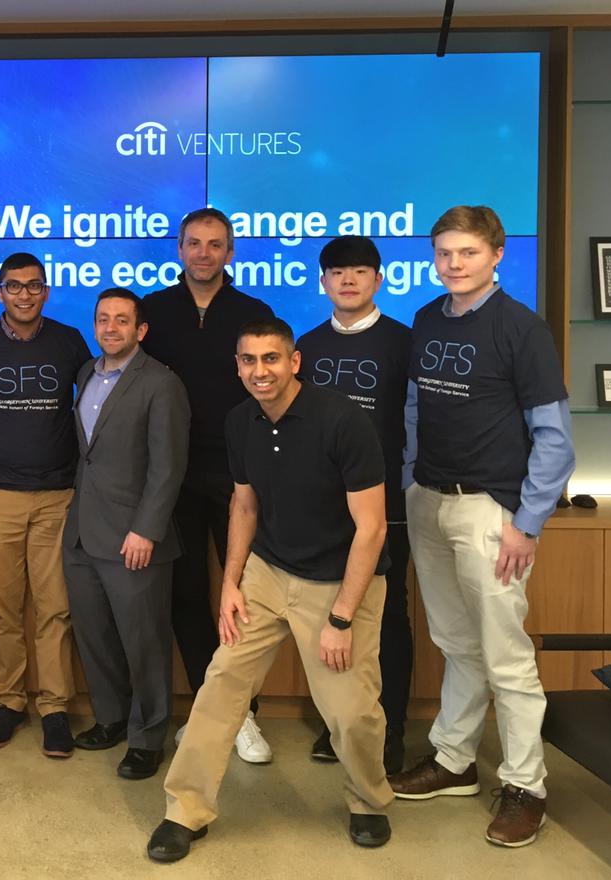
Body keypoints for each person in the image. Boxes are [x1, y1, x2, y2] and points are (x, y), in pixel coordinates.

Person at [148, 318, 393, 864]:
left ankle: (368, 800)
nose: (261, 371)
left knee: (351, 713)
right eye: (249, 361)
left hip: (338, 585)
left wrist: (341, 619)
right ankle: (184, 810)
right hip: (267, 573)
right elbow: (244, 504)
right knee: (220, 688)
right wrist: (232, 583)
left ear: (294, 361)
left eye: (272, 359)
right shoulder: (241, 422)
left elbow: (372, 528)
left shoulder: (343, 421)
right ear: (237, 366)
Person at [388, 205, 574, 848]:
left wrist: (528, 523)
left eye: (466, 253)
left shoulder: (521, 329)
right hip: (429, 501)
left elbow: (554, 437)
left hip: (491, 511)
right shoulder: (425, 319)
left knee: (505, 654)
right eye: (443, 254)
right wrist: (412, 477)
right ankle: (454, 760)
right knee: (456, 641)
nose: (453, 265)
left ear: (496, 255)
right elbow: (415, 407)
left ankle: (526, 785)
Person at [141, 207, 275, 764]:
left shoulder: (252, 312)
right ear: (179, 248)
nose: (203, 253)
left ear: (230, 251)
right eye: (194, 243)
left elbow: (273, 392)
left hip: (239, 475)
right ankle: (207, 702)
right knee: (187, 593)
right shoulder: (153, 311)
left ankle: (243, 712)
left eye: (215, 244)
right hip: (171, 475)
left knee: (245, 598)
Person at [0, 252, 91, 757]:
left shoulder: (69, 341)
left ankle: (54, 708)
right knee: (3, 608)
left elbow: (93, 409)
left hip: (59, 495)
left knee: (56, 608)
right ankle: (9, 702)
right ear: (0, 291)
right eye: (14, 287)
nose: (25, 295)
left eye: (34, 286)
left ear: (46, 290)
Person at [294, 236, 412, 774]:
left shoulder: (404, 344)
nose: (347, 280)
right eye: (337, 272)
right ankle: (336, 722)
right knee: (329, 614)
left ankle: (389, 732)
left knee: (387, 616)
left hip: (385, 507)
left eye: (360, 271)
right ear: (322, 282)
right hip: (321, 507)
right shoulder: (307, 348)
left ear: (378, 279)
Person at [64, 288, 189, 781]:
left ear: (141, 330)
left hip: (135, 539)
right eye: (102, 319)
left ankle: (147, 737)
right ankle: (112, 719)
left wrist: (146, 530)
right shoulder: (85, 374)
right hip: (83, 534)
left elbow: (168, 467)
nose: (110, 328)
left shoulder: (162, 384)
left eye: (121, 320)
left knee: (144, 643)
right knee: (95, 636)